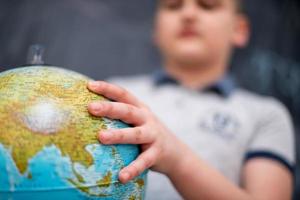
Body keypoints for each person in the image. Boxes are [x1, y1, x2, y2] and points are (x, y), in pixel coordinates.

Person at [87, 0, 295, 199]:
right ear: (156, 29)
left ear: (239, 30)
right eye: (173, 6)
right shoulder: (113, 94)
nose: (188, 14)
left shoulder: (266, 115)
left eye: (208, 5)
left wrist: (177, 159)